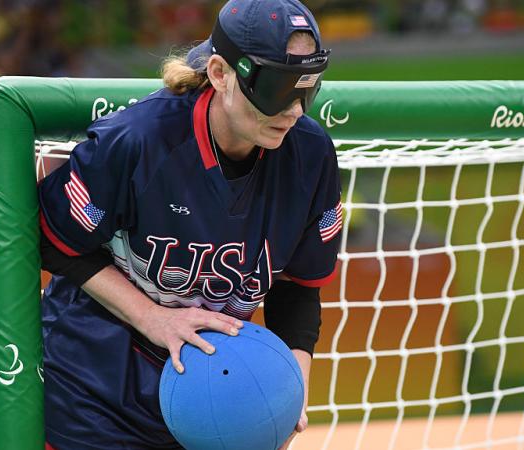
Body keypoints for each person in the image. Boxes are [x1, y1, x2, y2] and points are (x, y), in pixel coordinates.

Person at [37, 0, 341, 448]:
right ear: (220, 74)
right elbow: (55, 241)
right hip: (95, 394)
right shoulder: (137, 141)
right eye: (279, 88)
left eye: (307, 89)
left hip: (212, 404)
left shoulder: (311, 156)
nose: (295, 110)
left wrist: (286, 390)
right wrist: (154, 317)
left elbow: (298, 285)